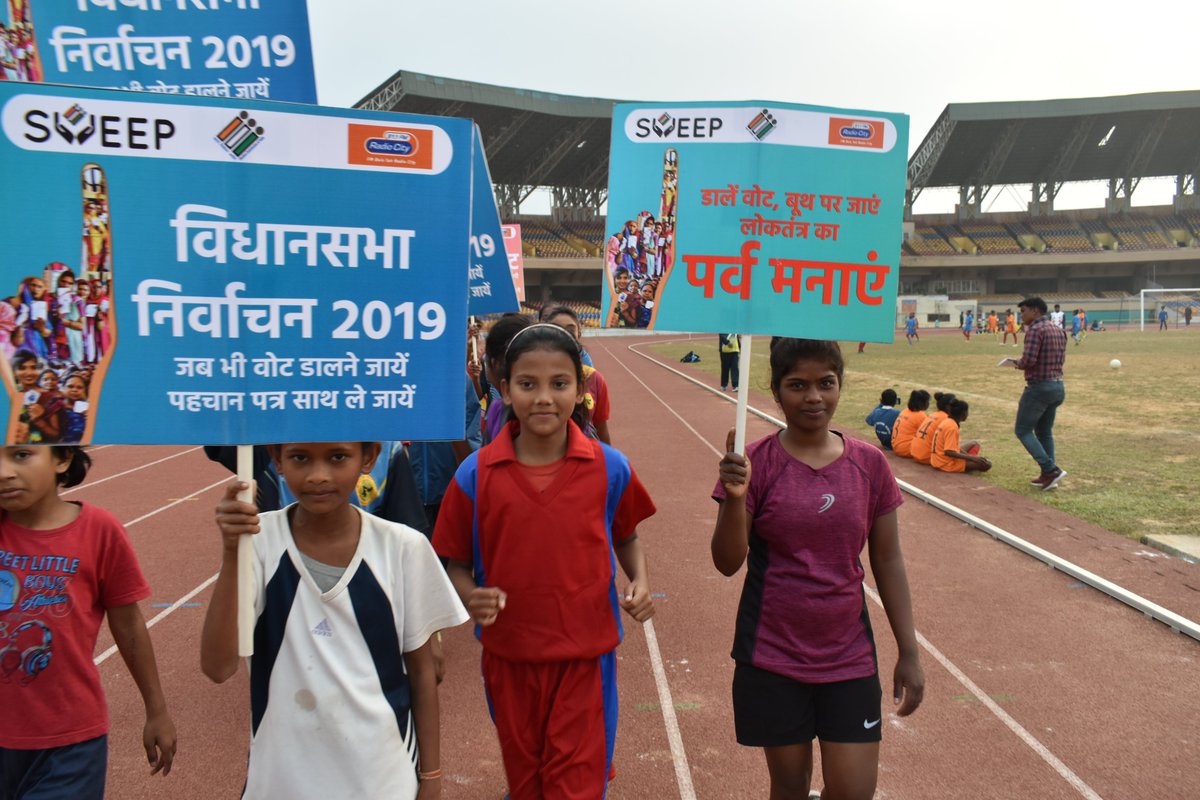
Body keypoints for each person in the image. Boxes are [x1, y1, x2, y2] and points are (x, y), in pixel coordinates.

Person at [432, 323, 656, 799]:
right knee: (528, 785)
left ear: (580, 390)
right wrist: (471, 594)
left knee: (575, 788)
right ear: (505, 390)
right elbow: (453, 562)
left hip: (584, 661)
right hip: (510, 661)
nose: (543, 397)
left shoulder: (609, 467)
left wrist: (638, 578)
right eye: (527, 384)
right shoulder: (476, 475)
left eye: (559, 383)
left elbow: (628, 536)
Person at [711, 338, 923, 800]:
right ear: (775, 389)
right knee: (789, 786)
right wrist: (735, 497)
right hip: (772, 655)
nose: (813, 397)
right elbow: (727, 563)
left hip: (847, 654)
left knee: (853, 790)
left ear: (840, 385)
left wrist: (909, 650)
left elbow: (887, 559)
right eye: (797, 385)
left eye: (826, 383)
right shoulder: (754, 463)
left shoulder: (869, 464)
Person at [201, 441, 468, 799]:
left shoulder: (403, 547)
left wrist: (431, 777)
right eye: (300, 458)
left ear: (369, 457)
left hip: (381, 777)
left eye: (337, 457)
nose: (318, 476)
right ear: (277, 459)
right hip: (282, 778)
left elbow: (421, 672)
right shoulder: (257, 543)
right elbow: (217, 667)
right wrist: (233, 552)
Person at [1, 446, 176, 797]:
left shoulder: (100, 531)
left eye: (21, 455)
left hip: (70, 743)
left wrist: (156, 710)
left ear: (61, 458)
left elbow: (128, 625)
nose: (3, 471)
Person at [1001, 296, 1068, 490]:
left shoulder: (1035, 331)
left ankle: (1050, 469)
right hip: (1057, 386)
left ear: (1035, 311)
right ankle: (1049, 476)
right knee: (1044, 431)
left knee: (1022, 430)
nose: (1022, 315)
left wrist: (1015, 363)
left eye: (1024, 311)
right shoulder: (1058, 330)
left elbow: (1028, 360)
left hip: (1039, 386)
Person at [541, 305, 613, 443]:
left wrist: (608, 460)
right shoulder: (533, 377)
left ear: (579, 333)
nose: (564, 334)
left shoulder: (594, 379)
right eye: (557, 328)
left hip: (585, 457)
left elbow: (601, 428)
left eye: (570, 329)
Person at [930, 399, 991, 473]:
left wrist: (970, 457)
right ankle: (965, 466)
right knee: (987, 464)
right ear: (963, 413)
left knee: (974, 443)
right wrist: (972, 458)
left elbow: (954, 447)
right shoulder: (952, 427)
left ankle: (968, 461)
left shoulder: (947, 421)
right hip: (945, 464)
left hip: (937, 460)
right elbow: (948, 452)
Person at [910, 392, 954, 466]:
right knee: (973, 445)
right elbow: (949, 449)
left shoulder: (932, 415)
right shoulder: (947, 419)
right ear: (948, 406)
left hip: (915, 453)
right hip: (928, 457)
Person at [890, 390, 930, 459]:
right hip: (906, 449)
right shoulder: (920, 415)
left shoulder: (905, 411)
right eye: (927, 401)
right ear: (922, 402)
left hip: (896, 446)